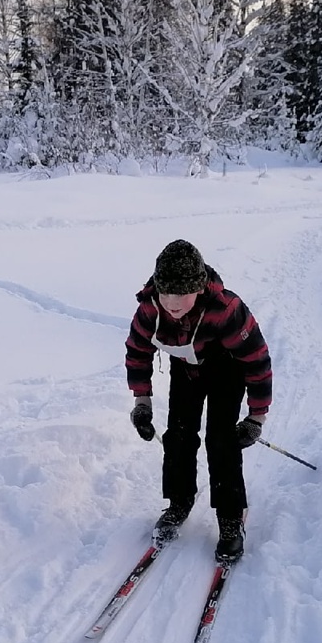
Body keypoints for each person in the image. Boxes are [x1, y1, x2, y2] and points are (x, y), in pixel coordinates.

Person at [125, 239, 272, 562]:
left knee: (221, 440)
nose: (172, 303)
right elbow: (137, 352)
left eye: (181, 294)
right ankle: (179, 501)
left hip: (227, 370)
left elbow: (257, 361)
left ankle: (231, 518)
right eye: (166, 293)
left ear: (199, 288)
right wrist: (142, 402)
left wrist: (256, 418)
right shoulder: (150, 309)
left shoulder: (226, 310)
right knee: (178, 435)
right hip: (186, 369)